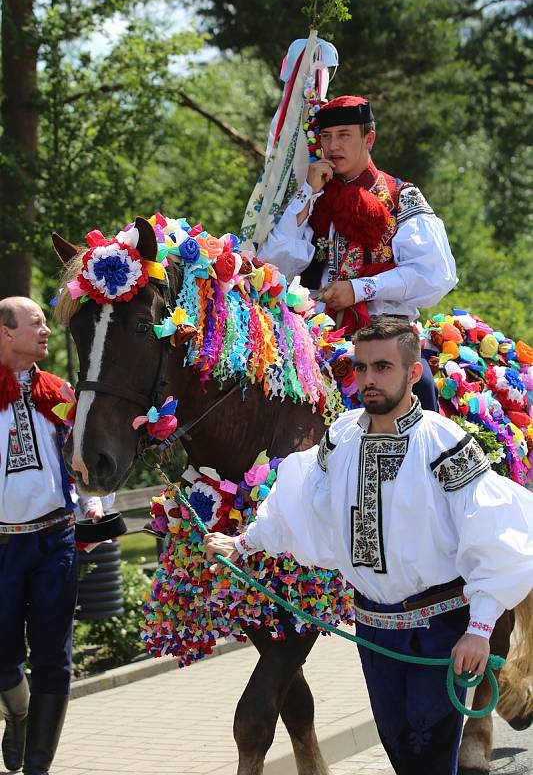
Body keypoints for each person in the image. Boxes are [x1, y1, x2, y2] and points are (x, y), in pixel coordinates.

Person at [205, 316, 533, 775]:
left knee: (429, 761)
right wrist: (244, 543)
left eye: (382, 367)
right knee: (400, 753)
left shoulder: (443, 441)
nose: (369, 380)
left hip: (439, 630)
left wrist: (479, 628)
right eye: (361, 368)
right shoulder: (340, 437)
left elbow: (491, 529)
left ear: (412, 373)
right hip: (373, 629)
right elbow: (301, 502)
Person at [260, 94, 457, 410]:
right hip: (315, 341)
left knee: (418, 386)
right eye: (326, 137)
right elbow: (273, 266)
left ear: (369, 139)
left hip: (386, 339)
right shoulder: (315, 196)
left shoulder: (400, 196)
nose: (333, 145)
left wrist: (360, 289)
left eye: (344, 135)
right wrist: (307, 193)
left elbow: (434, 275)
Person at [0, 297, 106, 775]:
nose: (46, 331)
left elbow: (76, 457)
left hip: (55, 540)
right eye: (36, 324)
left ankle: (39, 766)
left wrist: (92, 503)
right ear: (6, 333)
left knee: (53, 656)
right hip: (3, 545)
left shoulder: (59, 392)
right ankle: (19, 715)